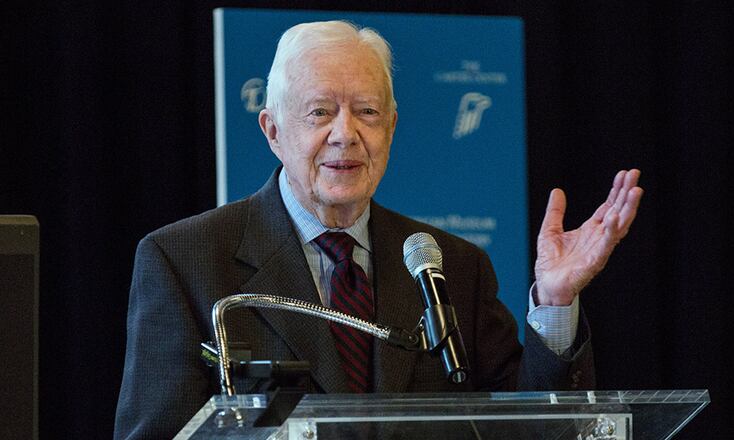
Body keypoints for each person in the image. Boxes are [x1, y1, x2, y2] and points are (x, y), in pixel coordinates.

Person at [114, 21, 643, 439]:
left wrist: (553, 300)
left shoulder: (450, 265)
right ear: (273, 130)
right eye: (320, 112)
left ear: (390, 126)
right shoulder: (185, 259)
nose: (346, 134)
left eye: (366, 111)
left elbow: (536, 427)